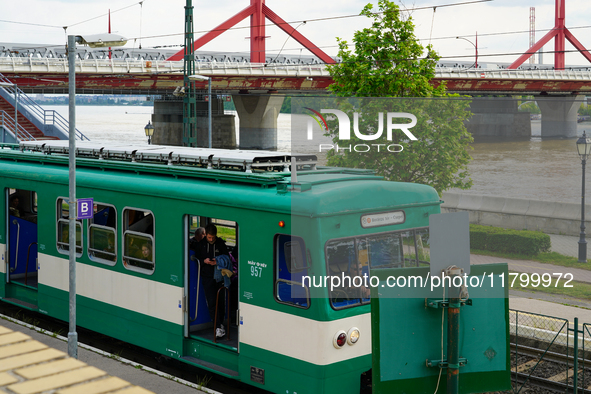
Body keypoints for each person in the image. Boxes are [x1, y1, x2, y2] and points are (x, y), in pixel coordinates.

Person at [196, 223, 229, 338]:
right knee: (211, 303)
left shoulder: (220, 243)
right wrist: (203, 261)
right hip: (207, 277)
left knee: (220, 302)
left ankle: (220, 325)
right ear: (205, 235)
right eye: (209, 237)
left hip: (219, 277)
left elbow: (227, 257)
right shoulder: (201, 244)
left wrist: (217, 261)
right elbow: (197, 258)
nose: (211, 239)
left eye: (213, 238)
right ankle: (218, 326)